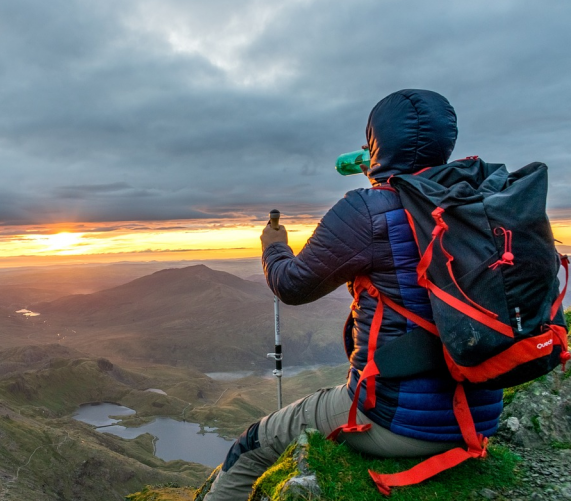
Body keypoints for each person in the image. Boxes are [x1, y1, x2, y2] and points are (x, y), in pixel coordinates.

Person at [201, 89, 504, 501]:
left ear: (377, 142)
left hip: (395, 421)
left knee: (251, 444)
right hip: (482, 414)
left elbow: (291, 284)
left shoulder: (368, 209)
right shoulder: (480, 202)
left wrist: (273, 245)